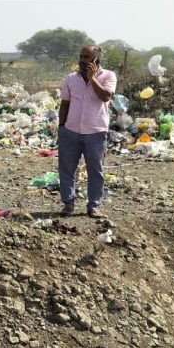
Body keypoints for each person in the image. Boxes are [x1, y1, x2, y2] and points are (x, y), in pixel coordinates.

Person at [58, 45, 116, 218]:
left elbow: (106, 96)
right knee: (67, 170)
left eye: (87, 58)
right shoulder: (71, 78)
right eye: (81, 57)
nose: (82, 60)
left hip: (95, 132)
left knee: (95, 171)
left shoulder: (108, 76)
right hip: (71, 131)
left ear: (96, 60)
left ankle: (93, 206)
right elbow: (65, 103)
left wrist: (93, 79)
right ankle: (68, 204)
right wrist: (61, 127)